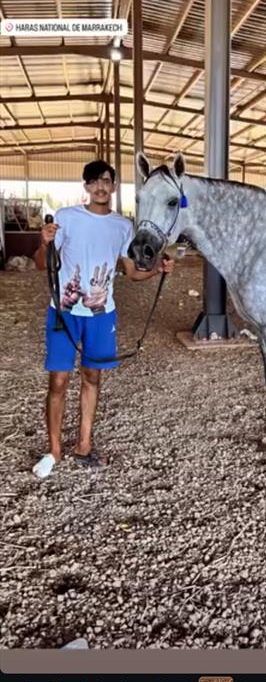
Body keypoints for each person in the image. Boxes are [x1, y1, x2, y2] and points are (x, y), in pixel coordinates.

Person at [32, 159, 174, 478]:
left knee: (92, 377)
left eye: (106, 181)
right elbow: (42, 265)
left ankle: (84, 445)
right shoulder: (66, 217)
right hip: (64, 312)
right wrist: (44, 242)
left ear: (113, 186)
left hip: (101, 314)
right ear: (86, 186)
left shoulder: (123, 226)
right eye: (94, 181)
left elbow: (131, 272)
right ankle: (54, 450)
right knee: (58, 381)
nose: (100, 187)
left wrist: (157, 270)